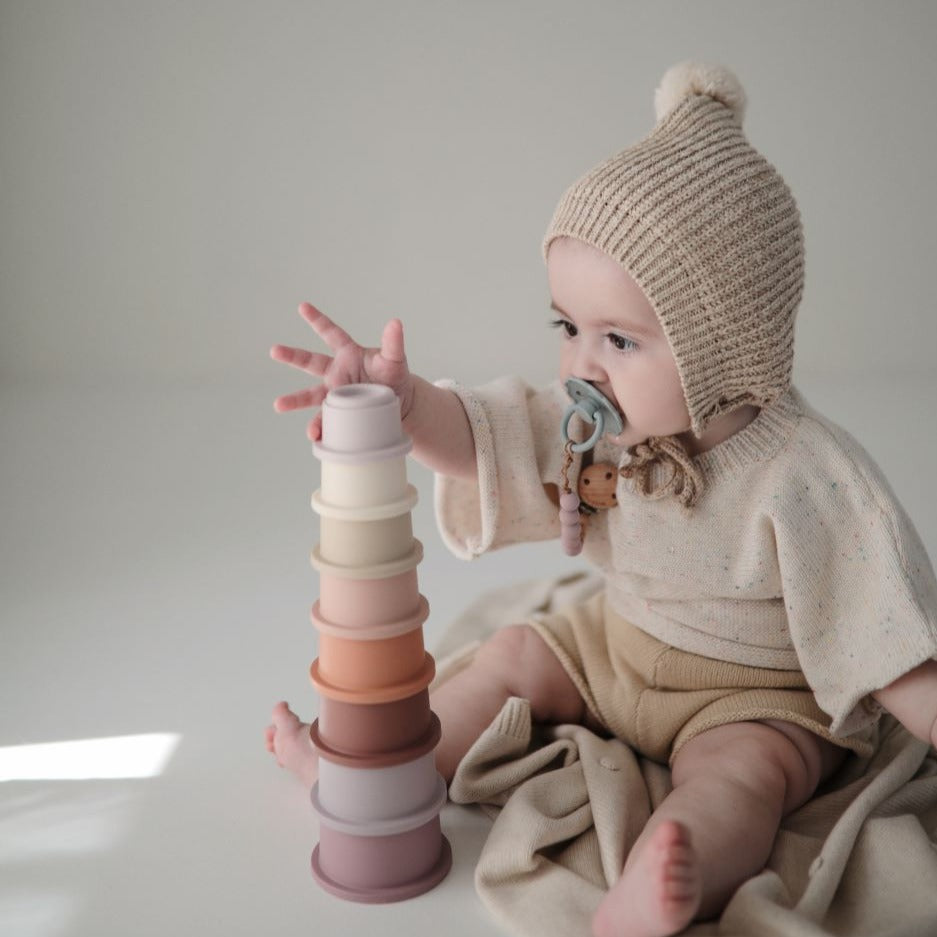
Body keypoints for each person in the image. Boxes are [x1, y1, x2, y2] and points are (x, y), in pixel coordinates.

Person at [265, 62, 937, 937]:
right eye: (567, 327)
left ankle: (669, 878)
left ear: (722, 348)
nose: (581, 363)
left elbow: (886, 630)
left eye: (618, 337)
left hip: (751, 694)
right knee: (508, 653)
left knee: (746, 778)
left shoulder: (806, 475)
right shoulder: (601, 423)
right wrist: (404, 404)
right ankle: (371, 782)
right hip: (612, 648)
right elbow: (488, 437)